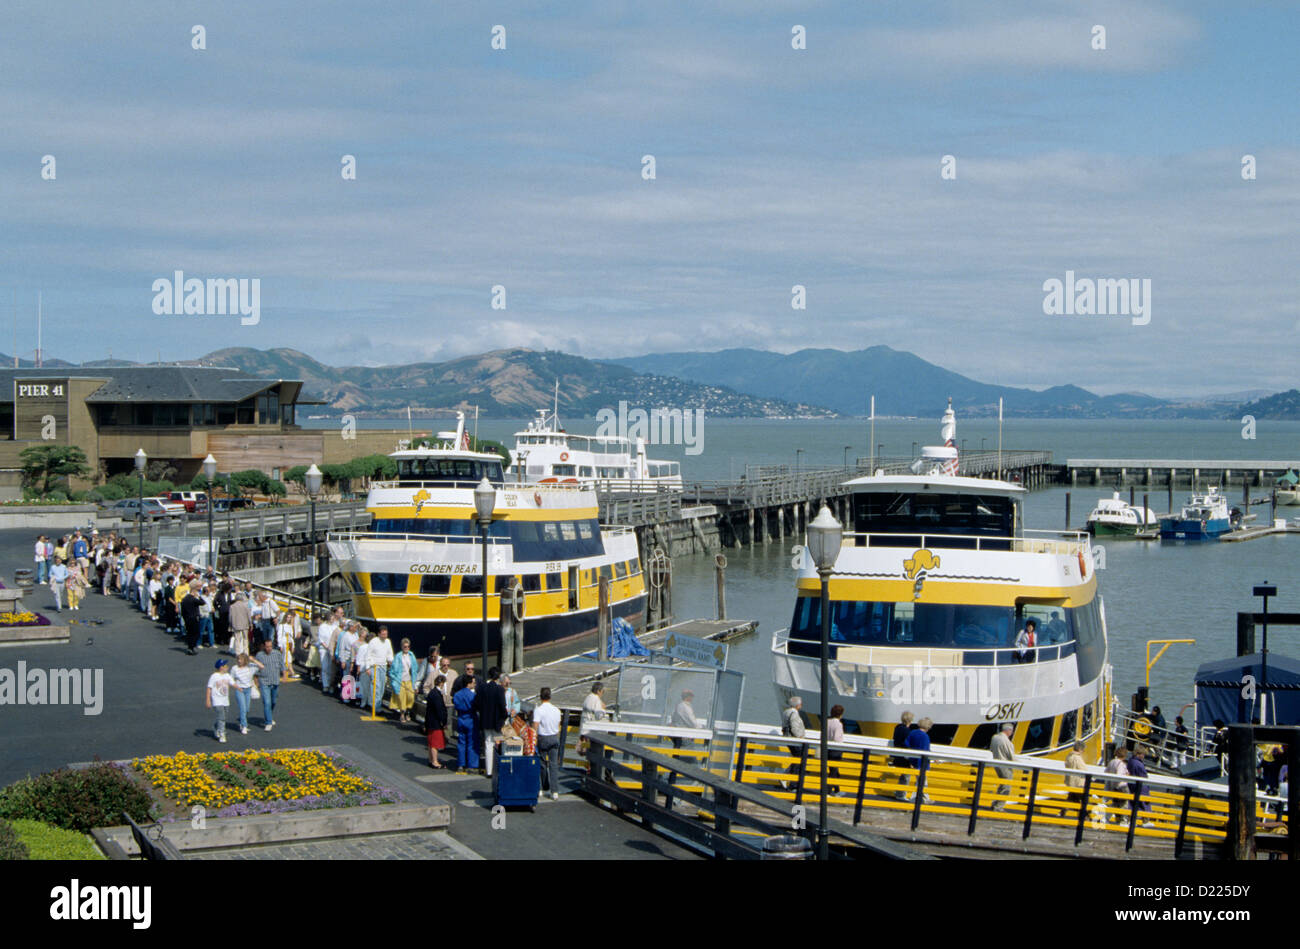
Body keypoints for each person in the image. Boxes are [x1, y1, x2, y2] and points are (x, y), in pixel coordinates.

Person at [476, 667, 510, 776]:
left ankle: (489, 771)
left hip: (485, 720)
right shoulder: (500, 689)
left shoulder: (482, 687)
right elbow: (502, 706)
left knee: (488, 745)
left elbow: (477, 703)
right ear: (498, 677)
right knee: (499, 745)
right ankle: (499, 768)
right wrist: (504, 716)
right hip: (497, 721)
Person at [533, 686, 562, 799]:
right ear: (550, 696)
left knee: (542, 764)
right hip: (554, 737)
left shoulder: (538, 710)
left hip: (543, 738)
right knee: (554, 765)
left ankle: (541, 788)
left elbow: (535, 726)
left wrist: (534, 740)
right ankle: (554, 791)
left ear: (541, 697)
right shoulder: (556, 710)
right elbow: (558, 727)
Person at [230, 652, 263, 736]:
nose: (239, 661)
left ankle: (242, 722)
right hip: (240, 690)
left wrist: (253, 660)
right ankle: (244, 725)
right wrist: (236, 687)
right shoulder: (234, 668)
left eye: (240, 659)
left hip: (248, 690)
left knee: (247, 708)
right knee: (243, 708)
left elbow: (261, 666)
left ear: (245, 660)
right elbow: (231, 679)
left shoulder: (250, 667)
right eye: (238, 659)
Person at [389, 637, 420, 724]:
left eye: (408, 646)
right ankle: (402, 714)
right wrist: (394, 681)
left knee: (410, 697)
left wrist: (416, 683)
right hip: (400, 680)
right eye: (405, 646)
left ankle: (408, 711)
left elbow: (415, 668)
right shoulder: (398, 656)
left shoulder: (411, 655)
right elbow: (392, 670)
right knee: (402, 698)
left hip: (409, 680)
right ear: (402, 647)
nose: (406, 648)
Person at [454, 674, 481, 773]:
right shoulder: (472, 695)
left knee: (461, 742)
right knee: (472, 743)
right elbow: (477, 706)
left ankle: (461, 764)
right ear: (469, 683)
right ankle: (472, 765)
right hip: (471, 719)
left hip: (461, 719)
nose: (474, 684)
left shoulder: (457, 695)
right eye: (473, 683)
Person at [256, 638, 284, 730]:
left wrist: (284, 675)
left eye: (270, 646)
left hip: (275, 681)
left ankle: (269, 715)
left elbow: (282, 665)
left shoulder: (277, 654)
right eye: (267, 647)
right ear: (264, 646)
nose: (269, 648)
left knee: (273, 701)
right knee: (267, 702)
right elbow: (255, 669)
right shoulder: (259, 655)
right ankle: (268, 722)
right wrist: (256, 681)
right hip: (264, 682)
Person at [904, 717, 933, 802]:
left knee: (922, 781)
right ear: (928, 727)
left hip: (913, 759)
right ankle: (914, 799)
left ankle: (926, 798)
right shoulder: (925, 737)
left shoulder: (912, 732)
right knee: (921, 780)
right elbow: (925, 750)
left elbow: (907, 743)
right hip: (921, 762)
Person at [206, 659, 235, 743]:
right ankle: (222, 734)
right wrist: (208, 700)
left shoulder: (227, 675)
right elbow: (209, 688)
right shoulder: (214, 676)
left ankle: (216, 727)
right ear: (221, 667)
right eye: (225, 665)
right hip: (217, 700)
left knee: (224, 716)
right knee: (221, 717)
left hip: (225, 700)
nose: (227, 667)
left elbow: (232, 683)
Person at [781, 695, 808, 782]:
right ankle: (791, 780)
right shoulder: (794, 713)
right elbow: (794, 728)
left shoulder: (786, 712)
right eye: (801, 704)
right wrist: (800, 737)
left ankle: (786, 777)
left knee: (797, 758)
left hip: (787, 738)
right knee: (799, 758)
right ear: (798, 705)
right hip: (794, 740)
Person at [990, 723, 1016, 810]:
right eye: (1011, 731)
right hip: (1005, 766)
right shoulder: (1007, 742)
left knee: (1002, 785)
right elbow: (1012, 757)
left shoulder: (995, 738)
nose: (1011, 733)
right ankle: (999, 806)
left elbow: (991, 749)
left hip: (996, 764)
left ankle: (995, 803)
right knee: (1007, 786)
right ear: (1008, 730)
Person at [425, 674, 448, 768]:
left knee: (431, 742)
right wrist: (444, 721)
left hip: (430, 721)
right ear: (441, 683)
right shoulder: (437, 695)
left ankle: (431, 760)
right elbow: (440, 710)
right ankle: (435, 761)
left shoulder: (432, 692)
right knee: (435, 743)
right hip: (436, 723)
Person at [1104, 747, 1131, 824]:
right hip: (1121, 786)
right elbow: (1119, 775)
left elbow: (1106, 772)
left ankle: (1106, 818)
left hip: (1113, 786)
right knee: (1125, 804)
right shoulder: (1120, 764)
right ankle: (1123, 821)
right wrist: (1126, 775)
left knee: (1114, 803)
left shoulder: (1112, 762)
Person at [1128, 744, 1153, 824]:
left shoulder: (1130, 761)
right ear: (1138, 754)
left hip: (1132, 786)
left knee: (1132, 805)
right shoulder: (1138, 764)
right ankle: (1145, 821)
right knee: (1145, 805)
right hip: (1141, 788)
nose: (1143, 756)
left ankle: (1130, 821)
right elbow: (1143, 776)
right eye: (1143, 754)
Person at [1064, 739, 1087, 807]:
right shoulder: (1077, 758)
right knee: (1084, 800)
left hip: (1070, 782)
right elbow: (1083, 769)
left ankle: (1062, 812)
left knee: (1072, 798)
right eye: (1083, 750)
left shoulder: (1069, 756)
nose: (1083, 752)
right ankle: (1085, 815)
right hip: (1078, 783)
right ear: (1080, 749)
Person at [181, 583, 203, 655]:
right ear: (193, 592)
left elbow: (183, 611)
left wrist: (184, 618)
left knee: (189, 633)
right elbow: (202, 602)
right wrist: (199, 596)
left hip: (187, 618)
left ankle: (189, 647)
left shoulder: (185, 599)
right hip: (194, 618)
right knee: (195, 633)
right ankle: (192, 647)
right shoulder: (193, 599)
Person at [229, 592, 252, 657]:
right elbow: (249, 615)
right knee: (245, 639)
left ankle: (238, 653)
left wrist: (230, 625)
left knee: (237, 639)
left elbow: (230, 617)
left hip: (236, 624)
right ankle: (246, 652)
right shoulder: (245, 605)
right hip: (245, 624)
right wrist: (250, 623)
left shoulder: (232, 606)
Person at [826, 704, 845, 778]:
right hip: (836, 749)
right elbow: (836, 738)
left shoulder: (827, 722)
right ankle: (831, 786)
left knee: (832, 768)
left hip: (827, 748)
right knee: (834, 769)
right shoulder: (838, 724)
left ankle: (835, 786)